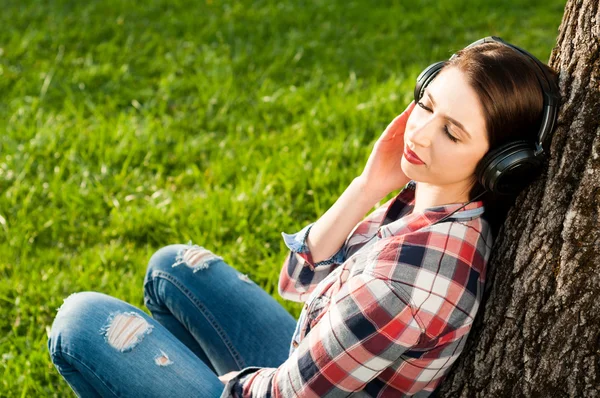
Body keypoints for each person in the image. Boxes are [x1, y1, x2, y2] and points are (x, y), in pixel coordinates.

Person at [47, 37, 559, 397]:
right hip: (310, 373)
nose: (419, 134)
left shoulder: (409, 284)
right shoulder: (434, 200)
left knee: (81, 321)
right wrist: (367, 186)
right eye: (425, 105)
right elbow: (298, 280)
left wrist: (220, 384)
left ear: (499, 166)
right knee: (172, 268)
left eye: (452, 132)